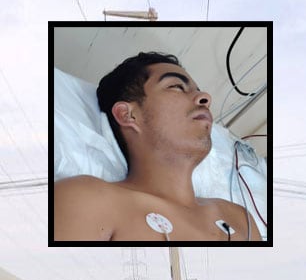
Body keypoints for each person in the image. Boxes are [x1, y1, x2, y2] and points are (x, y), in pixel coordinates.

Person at [54, 52, 261, 241]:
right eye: (176, 87)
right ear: (128, 115)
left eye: (198, 91)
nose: (205, 98)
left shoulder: (241, 218)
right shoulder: (87, 201)